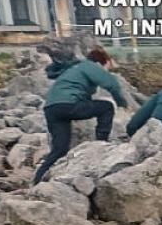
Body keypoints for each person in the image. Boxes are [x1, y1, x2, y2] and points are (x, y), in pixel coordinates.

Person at [32, 46, 129, 184]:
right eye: (108, 66)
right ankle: (101, 143)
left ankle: (37, 179)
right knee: (106, 107)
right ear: (101, 62)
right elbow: (111, 83)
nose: (108, 70)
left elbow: (80, 93)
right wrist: (122, 103)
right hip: (69, 105)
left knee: (59, 148)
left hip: (52, 108)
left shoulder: (73, 70)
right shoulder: (89, 65)